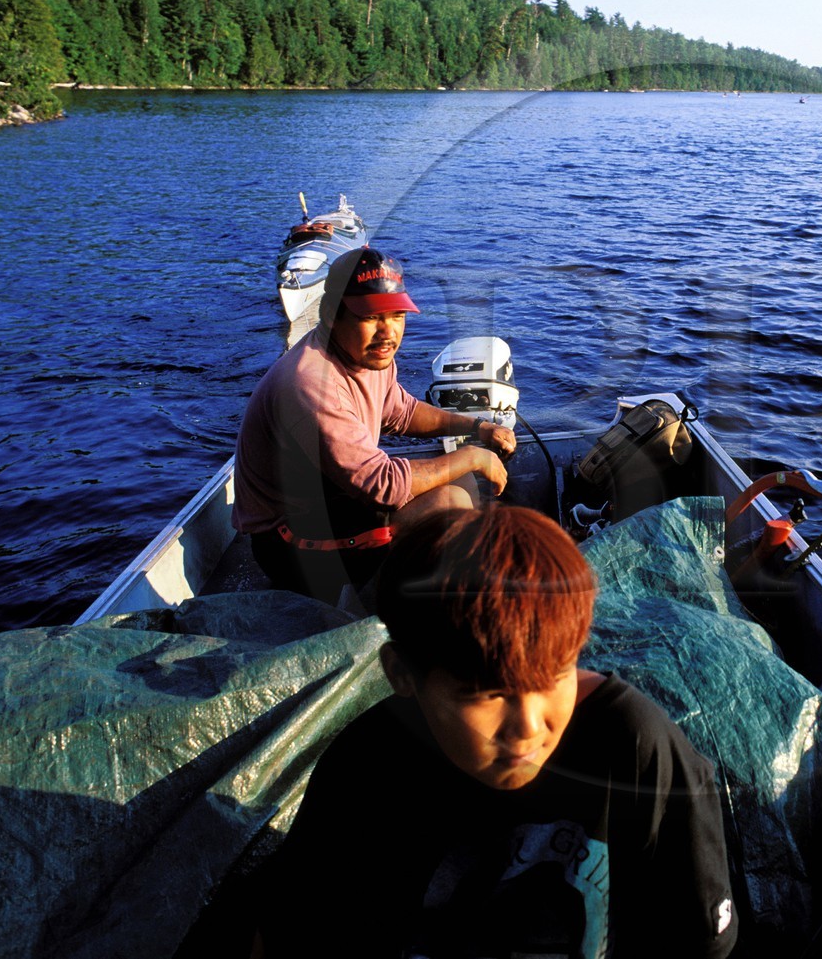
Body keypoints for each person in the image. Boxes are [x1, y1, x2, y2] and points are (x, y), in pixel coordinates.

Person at [259, 506, 740, 959]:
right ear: (402, 672)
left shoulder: (637, 747)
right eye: (486, 694)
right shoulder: (366, 768)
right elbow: (302, 931)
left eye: (554, 676)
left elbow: (695, 942)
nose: (529, 727)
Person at [232, 245, 516, 603]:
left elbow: (403, 412)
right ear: (333, 315)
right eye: (371, 317)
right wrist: (475, 456)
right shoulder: (310, 384)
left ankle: (437, 581)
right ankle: (371, 610)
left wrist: (477, 428)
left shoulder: (367, 356)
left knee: (458, 481)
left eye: (397, 315)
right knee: (448, 502)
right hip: (288, 543)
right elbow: (381, 485)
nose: (388, 333)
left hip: (332, 503)